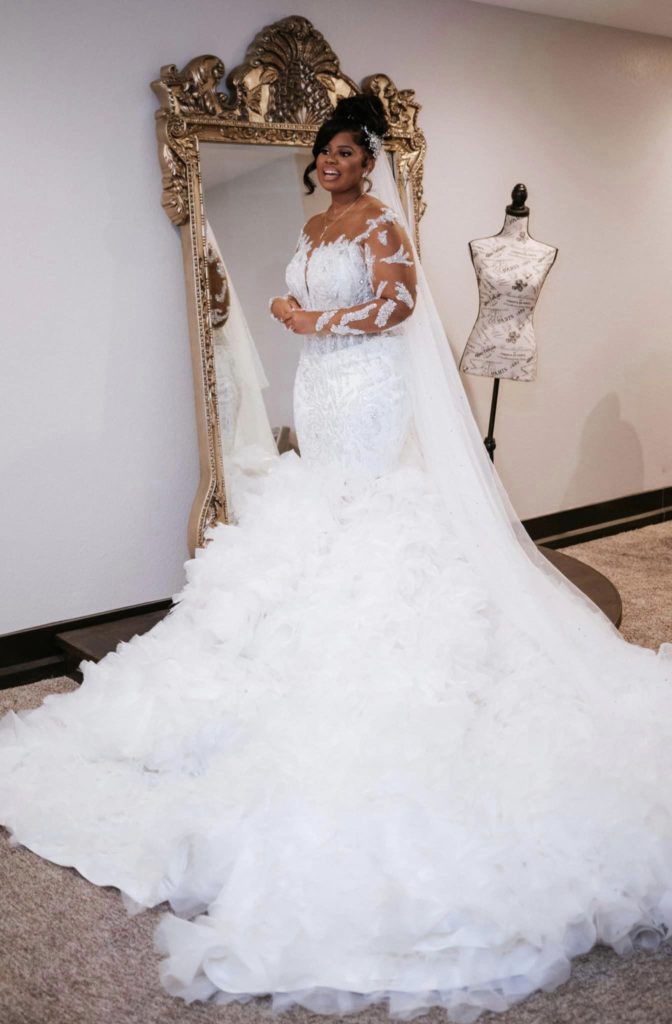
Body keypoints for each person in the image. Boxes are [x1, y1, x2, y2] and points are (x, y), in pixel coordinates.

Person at [1, 95, 671, 1024]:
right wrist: (295, 315)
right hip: (320, 391)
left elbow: (398, 305)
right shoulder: (315, 224)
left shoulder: (381, 224)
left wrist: (309, 320)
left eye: (349, 153)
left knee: (366, 514)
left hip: (365, 387)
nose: (333, 162)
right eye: (326, 151)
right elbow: (323, 303)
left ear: (368, 163)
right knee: (319, 506)